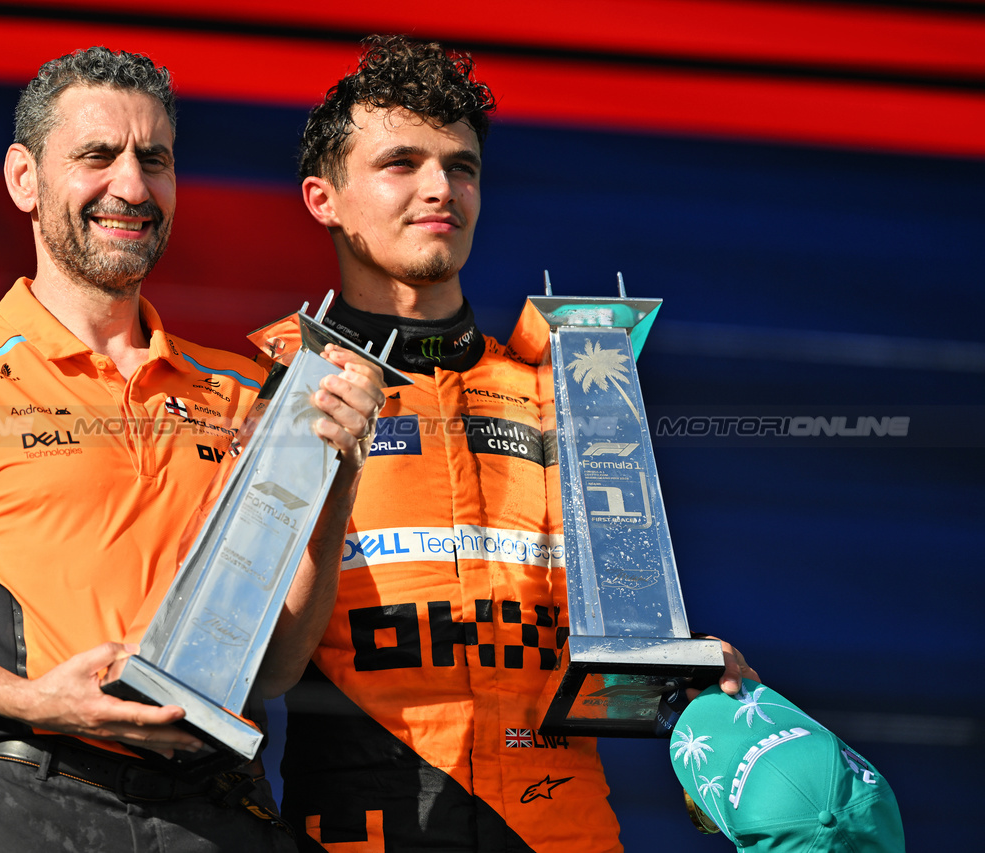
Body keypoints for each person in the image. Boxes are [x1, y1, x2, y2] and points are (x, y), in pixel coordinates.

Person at [0, 46, 383, 853]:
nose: (131, 186)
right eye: (98, 155)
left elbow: (269, 670)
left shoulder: (243, 388)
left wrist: (334, 488)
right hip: (31, 798)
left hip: (219, 814)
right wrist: (37, 700)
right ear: (24, 179)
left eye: (154, 160)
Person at [277, 36, 759, 852]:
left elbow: (620, 649)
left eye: (461, 166)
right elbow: (243, 671)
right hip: (367, 831)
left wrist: (696, 685)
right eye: (402, 163)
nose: (441, 189)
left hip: (562, 831)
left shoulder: (572, 388)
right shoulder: (272, 384)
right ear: (323, 198)